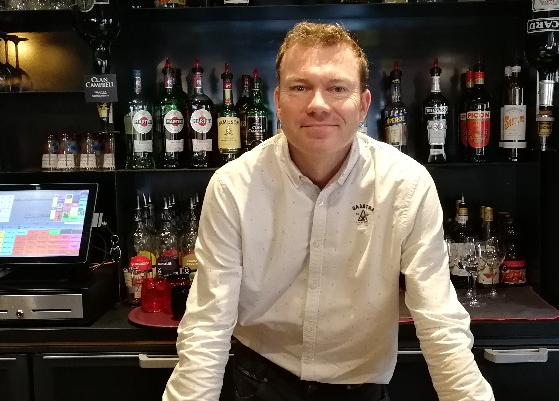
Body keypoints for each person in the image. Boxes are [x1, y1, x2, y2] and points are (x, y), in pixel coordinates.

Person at [162, 21, 495, 401]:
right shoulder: (232, 186)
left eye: (337, 88)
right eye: (299, 87)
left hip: (361, 387)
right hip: (261, 378)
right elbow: (208, 321)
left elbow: (439, 316)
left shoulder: (406, 184)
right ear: (278, 101)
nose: (318, 104)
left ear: (364, 105)